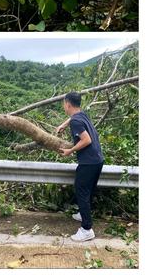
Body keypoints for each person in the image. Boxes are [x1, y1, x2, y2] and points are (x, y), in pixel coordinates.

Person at [57, 92, 104, 242]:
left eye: (64, 103)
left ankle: (86, 229)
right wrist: (64, 124)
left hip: (88, 162)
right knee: (87, 191)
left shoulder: (76, 121)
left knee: (81, 191)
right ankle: (83, 215)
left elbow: (86, 140)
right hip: (97, 159)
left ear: (67, 104)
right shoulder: (81, 115)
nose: (64, 106)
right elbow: (74, 118)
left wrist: (69, 151)